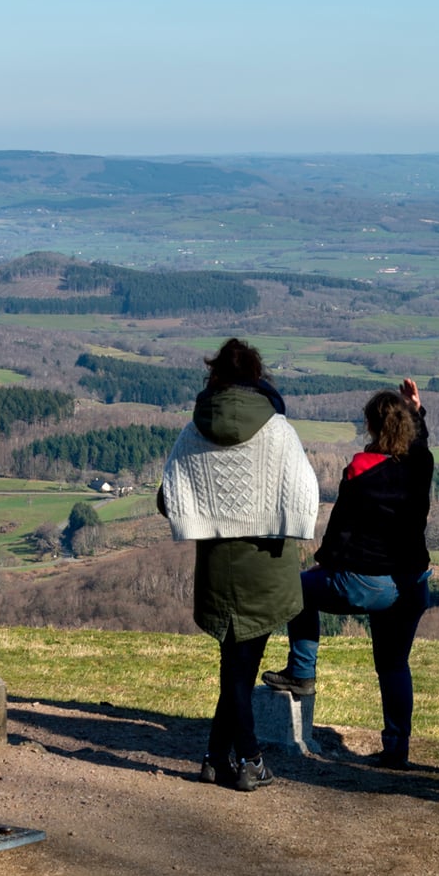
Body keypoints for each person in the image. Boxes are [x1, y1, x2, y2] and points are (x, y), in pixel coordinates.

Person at [158, 339, 319, 792]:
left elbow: (166, 497)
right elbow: (305, 491)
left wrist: (207, 511)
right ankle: (249, 758)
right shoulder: (278, 430)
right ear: (256, 375)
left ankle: (215, 757)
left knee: (237, 665)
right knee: (240, 666)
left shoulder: (193, 431)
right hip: (267, 563)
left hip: (217, 564)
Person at [263, 380, 433, 768]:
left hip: (366, 582)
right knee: (393, 665)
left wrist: (325, 560)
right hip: (410, 584)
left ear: (372, 427)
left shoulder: (361, 468)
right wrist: (415, 411)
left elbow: (341, 528)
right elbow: (419, 446)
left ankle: (301, 672)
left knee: (299, 589)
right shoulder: (420, 465)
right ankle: (397, 748)